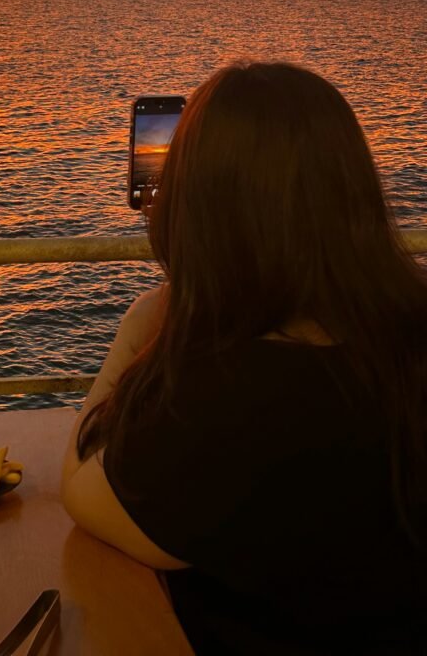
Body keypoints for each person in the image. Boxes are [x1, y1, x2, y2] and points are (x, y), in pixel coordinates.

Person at [61, 61, 427, 655]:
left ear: (199, 211)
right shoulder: (407, 337)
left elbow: (85, 490)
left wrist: (140, 328)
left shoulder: (228, 399)